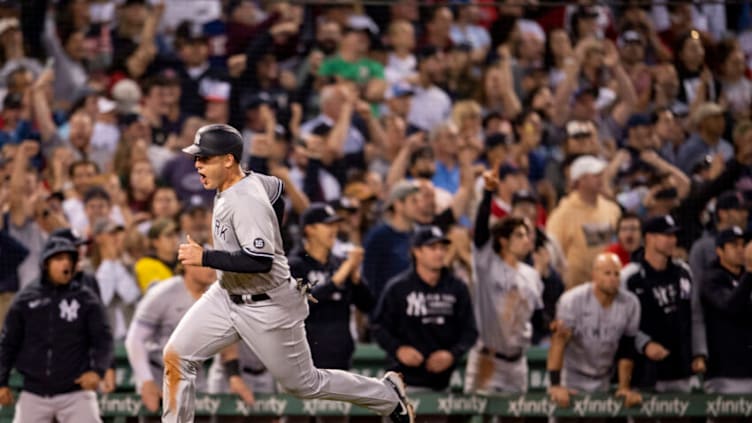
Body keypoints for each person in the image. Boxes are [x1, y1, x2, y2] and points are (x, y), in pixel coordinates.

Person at [165, 124, 414, 423]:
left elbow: (260, 260)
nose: (197, 164)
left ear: (228, 160)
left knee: (305, 384)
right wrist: (274, 233)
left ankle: (386, 395)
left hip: (268, 305)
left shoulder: (245, 201)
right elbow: (277, 188)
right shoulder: (246, 182)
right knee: (177, 356)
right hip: (226, 294)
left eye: (204, 158)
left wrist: (205, 256)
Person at [0, 236, 113, 422]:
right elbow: (8, 343)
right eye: (59, 259)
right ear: (46, 263)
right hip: (34, 392)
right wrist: (1, 382)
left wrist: (97, 371)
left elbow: (103, 338)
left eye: (69, 259)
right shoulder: (26, 299)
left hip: (75, 391)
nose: (65, 263)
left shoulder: (85, 298)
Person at [125, 262, 255, 418]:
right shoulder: (163, 293)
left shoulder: (218, 297)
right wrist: (146, 381)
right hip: (159, 375)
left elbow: (226, 343)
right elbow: (135, 339)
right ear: (187, 265)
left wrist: (234, 377)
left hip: (194, 377)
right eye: (205, 264)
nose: (211, 269)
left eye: (213, 264)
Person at [464, 170, 543, 395]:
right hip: (489, 357)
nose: (526, 239)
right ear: (503, 240)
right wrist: (489, 193)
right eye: (519, 235)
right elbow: (480, 232)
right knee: (480, 414)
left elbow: (537, 316)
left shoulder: (532, 274)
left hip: (517, 361)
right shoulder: (487, 263)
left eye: (527, 234)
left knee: (516, 417)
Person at [373, 225, 477, 392]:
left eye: (443, 248)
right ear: (417, 252)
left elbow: (470, 330)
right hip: (401, 384)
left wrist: (452, 354)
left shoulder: (457, 288)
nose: (439, 253)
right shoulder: (398, 288)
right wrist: (398, 349)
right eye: (432, 247)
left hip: (441, 384)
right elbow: (378, 326)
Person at [546, 253, 642, 416]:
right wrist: (555, 385)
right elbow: (559, 342)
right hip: (572, 377)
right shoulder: (572, 300)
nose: (613, 278)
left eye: (617, 273)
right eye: (607, 273)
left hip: (603, 377)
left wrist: (624, 387)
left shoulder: (630, 303)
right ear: (594, 275)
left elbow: (627, 349)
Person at [621, 215, 706, 394]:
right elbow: (620, 321)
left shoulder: (683, 271)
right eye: (666, 235)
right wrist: (644, 343)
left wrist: (699, 352)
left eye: (674, 236)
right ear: (649, 238)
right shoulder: (630, 276)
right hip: (644, 370)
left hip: (680, 367)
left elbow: (695, 314)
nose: (672, 240)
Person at [288, 203, 374, 370]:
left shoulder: (339, 264)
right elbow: (305, 301)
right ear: (309, 229)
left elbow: (368, 305)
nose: (334, 229)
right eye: (327, 224)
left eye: (335, 224)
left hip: (341, 357)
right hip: (305, 361)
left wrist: (356, 279)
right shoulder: (295, 264)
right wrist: (342, 274)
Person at [546, 155, 621, 289]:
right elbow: (553, 252)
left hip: (610, 286)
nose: (600, 179)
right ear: (580, 180)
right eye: (595, 175)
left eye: (601, 174)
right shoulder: (562, 214)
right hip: (576, 289)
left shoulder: (612, 209)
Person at [700, 228, 752, 397]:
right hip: (724, 372)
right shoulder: (711, 278)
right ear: (719, 251)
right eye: (733, 245)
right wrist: (750, 272)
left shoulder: (746, 276)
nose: (740, 249)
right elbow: (730, 306)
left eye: (743, 244)